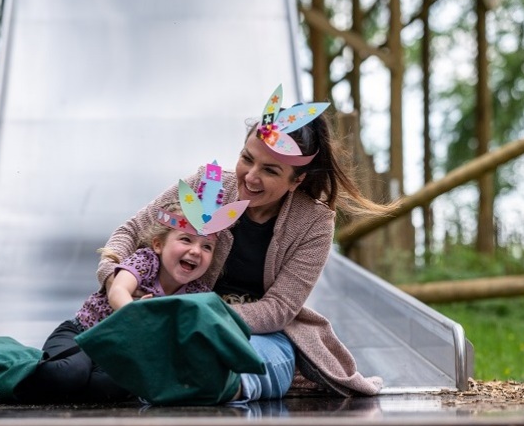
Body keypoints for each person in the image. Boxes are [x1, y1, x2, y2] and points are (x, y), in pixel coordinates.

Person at [97, 85, 392, 401]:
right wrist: (114, 279)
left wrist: (200, 317)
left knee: (258, 360)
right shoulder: (208, 186)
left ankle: (217, 384)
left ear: (297, 180)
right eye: (246, 159)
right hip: (176, 322)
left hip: (256, 332)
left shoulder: (313, 223)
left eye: (270, 170)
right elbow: (129, 232)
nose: (251, 176)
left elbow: (279, 309)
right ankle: (177, 379)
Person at [17, 167, 249, 403]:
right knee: (69, 373)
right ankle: (15, 377)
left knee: (108, 388)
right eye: (186, 239)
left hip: (117, 352)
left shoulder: (196, 294)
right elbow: (118, 290)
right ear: (158, 245)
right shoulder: (146, 261)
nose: (195, 251)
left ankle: (67, 386)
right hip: (83, 334)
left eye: (206, 246)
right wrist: (136, 313)